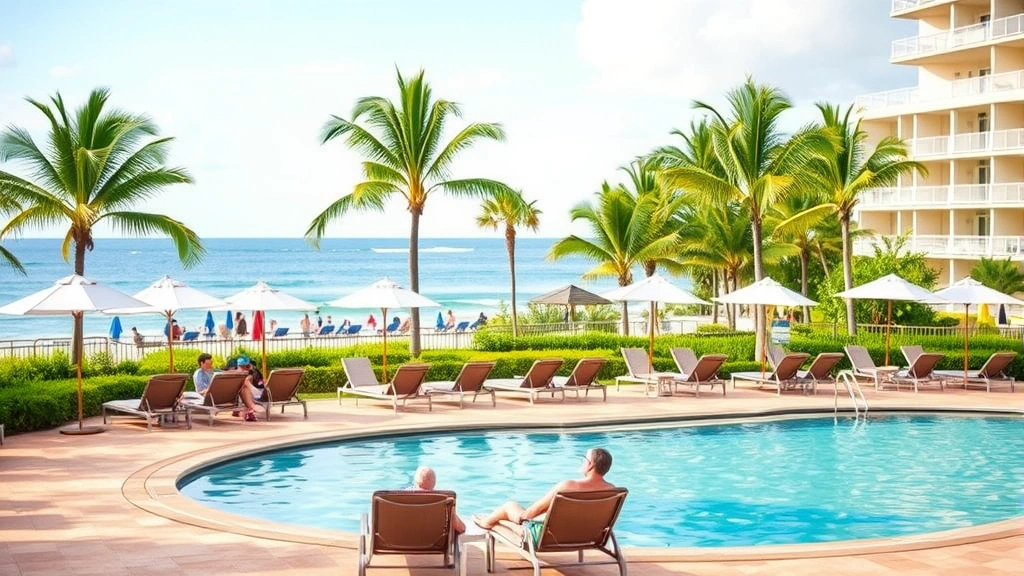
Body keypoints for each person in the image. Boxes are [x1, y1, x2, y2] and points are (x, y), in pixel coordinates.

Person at [473, 448, 615, 535]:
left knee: (510, 506)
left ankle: (486, 523)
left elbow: (530, 513)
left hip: (551, 537)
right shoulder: (613, 492)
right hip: (588, 536)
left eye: (584, 459)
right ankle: (488, 521)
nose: (582, 462)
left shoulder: (567, 486)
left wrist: (522, 518)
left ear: (590, 465)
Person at [411, 466, 465, 534]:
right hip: (435, 543)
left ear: (416, 481)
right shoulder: (444, 501)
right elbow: (461, 528)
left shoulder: (400, 499)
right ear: (434, 483)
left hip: (403, 543)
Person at [228, 355, 262, 421]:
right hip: (247, 398)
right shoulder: (247, 377)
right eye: (246, 366)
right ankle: (248, 411)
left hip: (234, 399)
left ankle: (244, 412)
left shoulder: (230, 374)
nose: (246, 368)